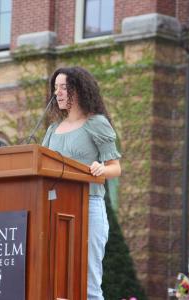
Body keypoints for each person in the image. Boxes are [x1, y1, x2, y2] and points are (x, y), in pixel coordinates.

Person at [42, 66, 121, 300]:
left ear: (80, 89)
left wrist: (101, 169)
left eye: (64, 87)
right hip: (54, 209)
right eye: (55, 88)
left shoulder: (96, 123)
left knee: (88, 284)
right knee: (54, 282)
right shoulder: (52, 130)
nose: (59, 93)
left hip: (89, 207)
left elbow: (115, 167)